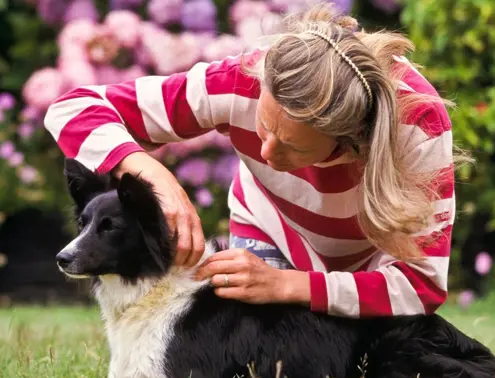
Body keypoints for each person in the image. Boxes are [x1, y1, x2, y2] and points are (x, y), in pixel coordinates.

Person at [44, 3, 467, 318]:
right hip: (269, 236)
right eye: (264, 128)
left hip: (369, 267)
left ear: (352, 140)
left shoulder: (416, 125)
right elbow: (72, 109)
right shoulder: (242, 81)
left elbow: (419, 287)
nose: (266, 153)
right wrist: (150, 172)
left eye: (294, 148)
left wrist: (289, 286)